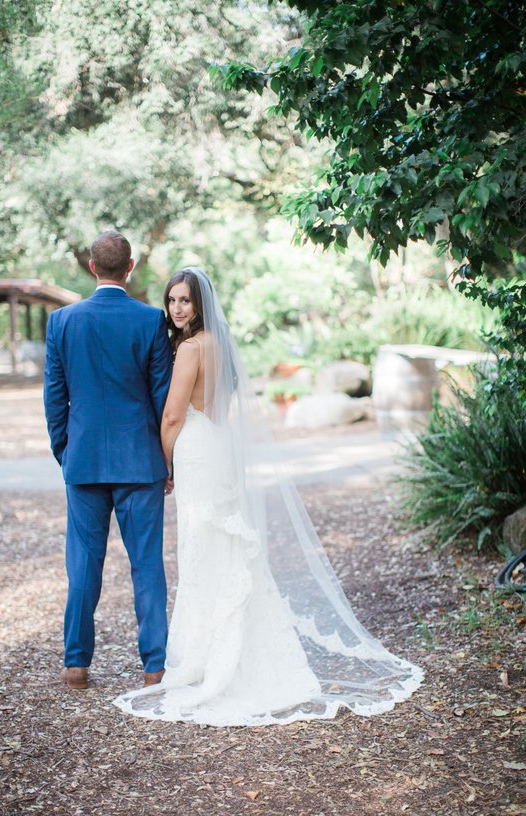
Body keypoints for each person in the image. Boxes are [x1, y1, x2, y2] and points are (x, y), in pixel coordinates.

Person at [114, 268, 423, 726]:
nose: (176, 309)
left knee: (203, 551)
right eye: (172, 300)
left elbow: (174, 416)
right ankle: (233, 645)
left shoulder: (191, 350)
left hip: (197, 453)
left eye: (184, 301)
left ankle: (209, 657)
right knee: (224, 547)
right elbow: (217, 407)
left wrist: (165, 463)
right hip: (217, 447)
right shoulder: (219, 346)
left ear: (200, 304)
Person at [44, 230, 173, 691]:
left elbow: (54, 400)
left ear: (93, 267)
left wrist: (67, 452)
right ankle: (154, 667)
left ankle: (76, 665)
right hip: (141, 462)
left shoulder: (61, 322)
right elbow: (163, 399)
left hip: (83, 463)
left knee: (82, 564)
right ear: (131, 266)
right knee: (147, 564)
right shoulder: (150, 321)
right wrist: (168, 461)